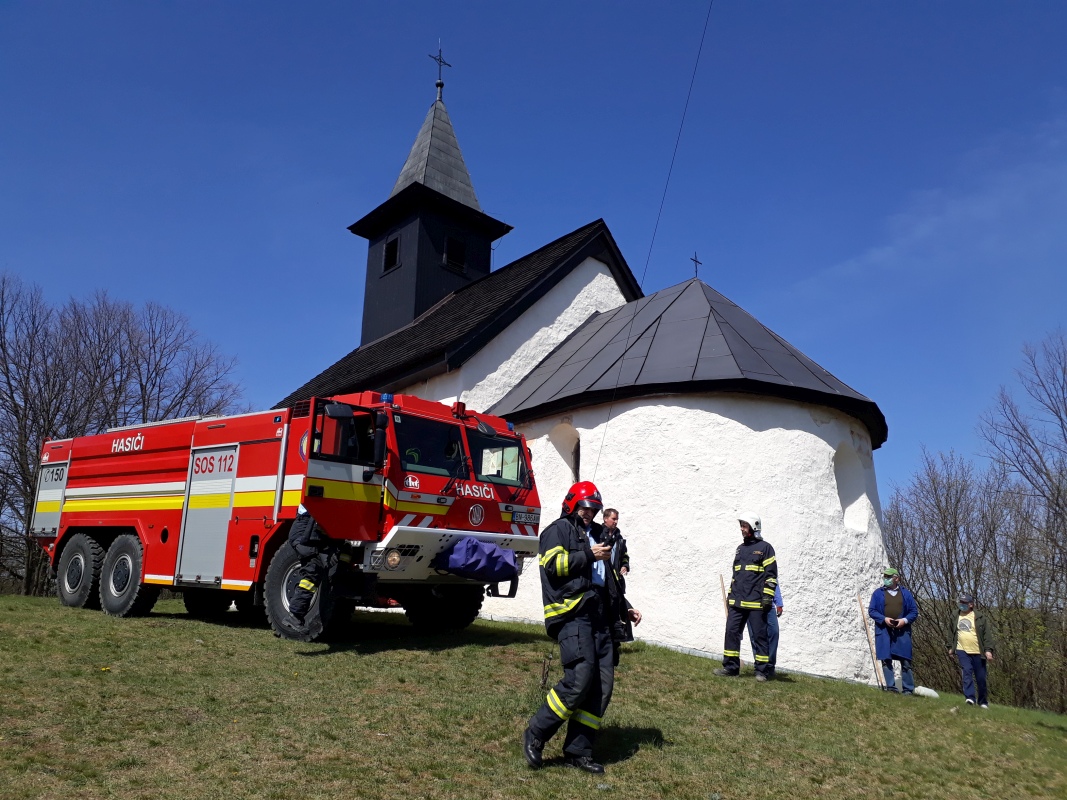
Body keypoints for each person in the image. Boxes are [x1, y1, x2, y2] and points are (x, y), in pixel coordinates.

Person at [523, 481, 642, 775]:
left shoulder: (600, 536)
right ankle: (536, 733)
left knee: (602, 686)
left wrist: (624, 607)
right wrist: (589, 554)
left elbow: (607, 580)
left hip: (600, 616)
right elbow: (552, 566)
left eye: (594, 509)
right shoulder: (558, 530)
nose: (589, 513)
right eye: (585, 507)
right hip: (572, 613)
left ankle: (579, 750)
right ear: (572, 504)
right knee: (579, 680)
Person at [715, 513, 778, 681]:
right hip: (736, 601)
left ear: (754, 527)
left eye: (744, 526)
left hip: (756, 603)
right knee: (731, 633)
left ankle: (762, 671)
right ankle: (731, 668)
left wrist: (767, 597)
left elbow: (771, 576)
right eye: (741, 525)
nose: (742, 529)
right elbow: (736, 574)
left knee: (760, 637)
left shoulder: (766, 548)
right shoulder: (740, 549)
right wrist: (730, 595)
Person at [284, 507, 337, 630]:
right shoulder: (313, 506)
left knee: (322, 568)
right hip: (304, 530)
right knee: (312, 570)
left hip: (312, 529)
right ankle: (294, 616)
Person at [867, 568, 918, 694]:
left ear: (896, 578)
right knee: (886, 658)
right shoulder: (878, 593)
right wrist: (884, 619)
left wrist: (904, 621)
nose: (886, 578)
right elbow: (872, 611)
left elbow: (913, 611)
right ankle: (891, 688)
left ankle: (908, 690)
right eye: (885, 576)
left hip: (902, 631)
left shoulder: (905, 594)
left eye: (889, 576)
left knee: (905, 660)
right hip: (884, 630)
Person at [945, 593, 996, 708]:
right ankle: (970, 698)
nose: (961, 605)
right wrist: (950, 648)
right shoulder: (955, 615)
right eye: (960, 603)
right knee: (966, 672)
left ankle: (983, 702)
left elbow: (987, 636)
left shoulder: (980, 617)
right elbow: (951, 633)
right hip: (962, 649)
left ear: (971, 605)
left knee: (981, 678)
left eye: (964, 603)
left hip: (978, 652)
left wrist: (988, 651)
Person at [749, 582, 783, 679]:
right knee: (755, 637)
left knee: (774, 632)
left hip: (769, 607)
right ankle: (759, 667)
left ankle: (770, 666)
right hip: (752, 606)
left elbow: (774, 584)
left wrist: (779, 603)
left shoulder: (769, 568)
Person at [600, 508, 630, 592]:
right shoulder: (598, 534)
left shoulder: (619, 537)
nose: (616, 522)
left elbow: (625, 555)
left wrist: (625, 566)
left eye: (617, 519)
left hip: (616, 579)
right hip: (602, 579)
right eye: (613, 519)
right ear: (605, 518)